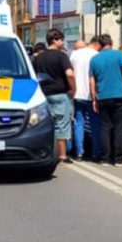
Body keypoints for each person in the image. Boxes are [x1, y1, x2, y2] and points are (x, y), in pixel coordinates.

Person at [89, 34, 122, 166]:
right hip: (119, 95)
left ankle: (105, 158)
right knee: (119, 127)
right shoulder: (119, 55)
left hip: (103, 96)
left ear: (99, 44)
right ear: (111, 43)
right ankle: (118, 159)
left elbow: (92, 81)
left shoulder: (94, 59)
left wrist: (94, 98)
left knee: (105, 127)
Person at [32, 28, 75, 164]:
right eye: (61, 39)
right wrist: (73, 89)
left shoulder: (39, 58)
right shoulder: (61, 56)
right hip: (60, 94)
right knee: (61, 124)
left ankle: (46, 152)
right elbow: (69, 74)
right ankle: (62, 155)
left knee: (45, 124)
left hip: (43, 95)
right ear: (55, 40)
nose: (62, 42)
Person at [69, 37, 101, 162]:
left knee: (79, 123)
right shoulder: (96, 55)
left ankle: (79, 152)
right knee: (95, 124)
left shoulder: (74, 55)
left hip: (77, 94)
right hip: (92, 94)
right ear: (96, 44)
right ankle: (96, 152)